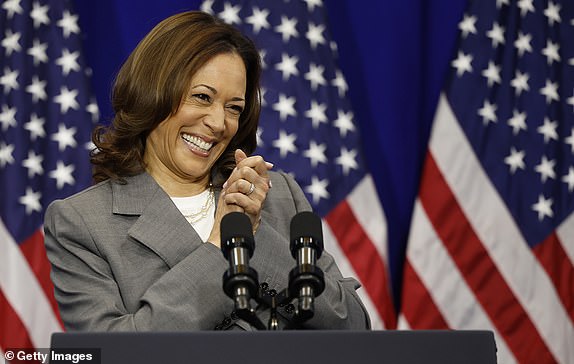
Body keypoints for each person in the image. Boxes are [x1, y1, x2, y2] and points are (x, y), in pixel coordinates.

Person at [44, 10, 370, 331]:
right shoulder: (82, 222)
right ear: (152, 92)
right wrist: (220, 248)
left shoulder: (279, 195)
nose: (218, 123)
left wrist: (256, 235)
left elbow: (353, 326)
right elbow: (113, 352)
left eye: (234, 108)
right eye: (202, 97)